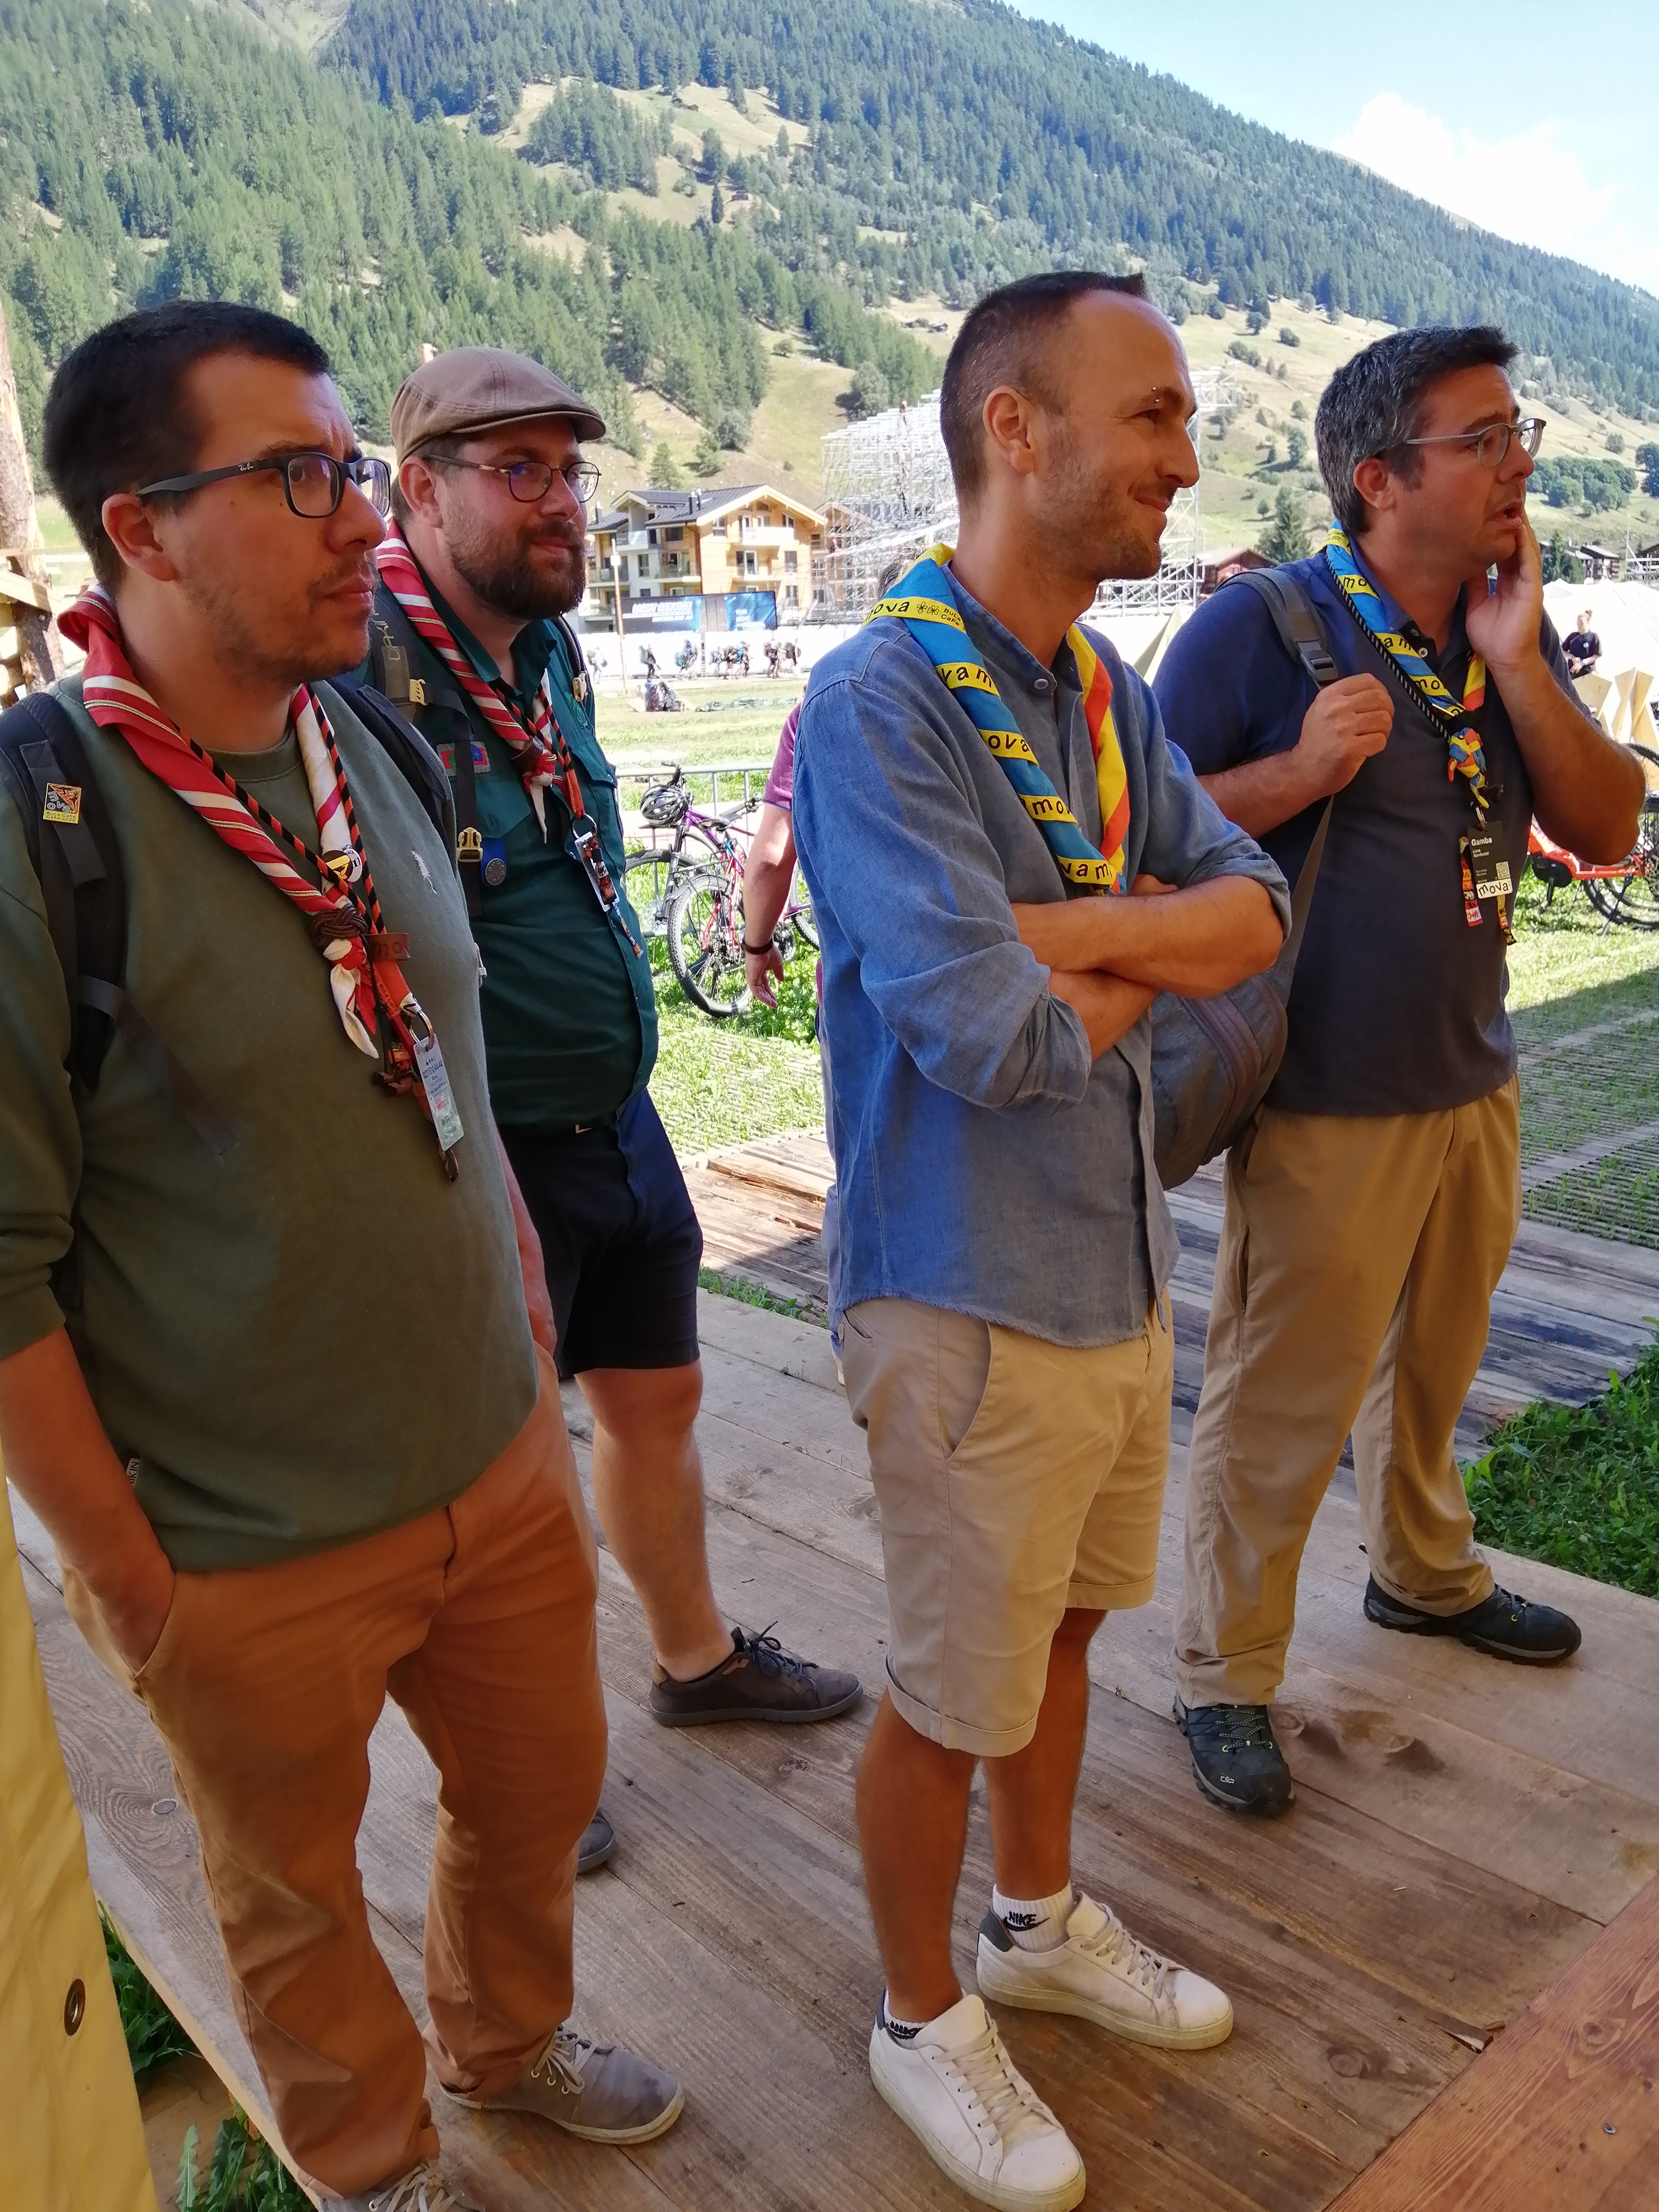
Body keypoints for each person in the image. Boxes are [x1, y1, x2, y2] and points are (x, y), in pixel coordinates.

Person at [0, 303, 682, 2212]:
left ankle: (504, 2042)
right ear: (141, 526)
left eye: (353, 470)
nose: (362, 518)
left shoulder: (365, 731)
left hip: (497, 1461)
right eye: (299, 476)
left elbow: (441, 1052)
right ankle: (375, 2167)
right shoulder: (38, 827)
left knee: (539, 1796)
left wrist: (522, 1328)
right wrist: (136, 1588)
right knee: (291, 1893)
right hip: (239, 1547)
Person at [793, 271, 1291, 2211]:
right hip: (962, 1292)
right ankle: (919, 2015)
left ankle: (1031, 1920)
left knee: (1062, 1633)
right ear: (1016, 428)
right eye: (1151, 414)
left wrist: (1065, 932)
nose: (1184, 456)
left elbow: (1252, 913)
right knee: (948, 1688)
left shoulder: (1097, 692)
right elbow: (984, 1041)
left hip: (1109, 1263)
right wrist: (1140, 943)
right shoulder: (878, 699)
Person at [367, 350, 860, 1873]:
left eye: (571, 471)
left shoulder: (549, 651)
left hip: (615, 1117)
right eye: (518, 471)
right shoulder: (358, 675)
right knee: (498, 1484)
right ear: (419, 489)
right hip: (479, 1150)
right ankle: (520, 1761)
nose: (564, 502)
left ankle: (692, 1661)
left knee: (657, 1407)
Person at [1157, 328, 1645, 1817]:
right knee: (1281, 1396)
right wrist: (1299, 773)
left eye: (1518, 434)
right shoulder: (1256, 631)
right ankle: (1222, 1671)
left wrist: (1519, 663)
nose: (1518, 467)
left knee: (1433, 1368)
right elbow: (1125, 839)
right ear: (1377, 479)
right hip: (1320, 1093)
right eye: (1480, 440)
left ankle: (1420, 1572)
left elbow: (1608, 826)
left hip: (1471, 1073)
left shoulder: (1496, 628)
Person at [1564, 608, 1602, 680]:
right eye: (1578, 623)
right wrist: (1573, 658)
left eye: (1582, 624)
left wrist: (1583, 663)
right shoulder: (1573, 636)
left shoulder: (1593, 637)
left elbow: (1597, 655)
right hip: (1572, 672)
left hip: (1587, 673)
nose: (1579, 626)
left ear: (1588, 623)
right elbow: (1563, 651)